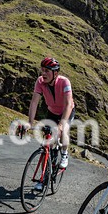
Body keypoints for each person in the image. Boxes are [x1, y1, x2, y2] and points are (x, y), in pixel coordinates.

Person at [23, 57, 75, 188]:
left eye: (47, 71)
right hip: (52, 112)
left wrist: (61, 125)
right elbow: (34, 102)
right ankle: (43, 179)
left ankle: (64, 153)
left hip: (66, 111)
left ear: (55, 73)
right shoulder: (40, 82)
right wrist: (30, 122)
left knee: (63, 132)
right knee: (46, 145)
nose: (43, 73)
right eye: (42, 70)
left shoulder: (64, 82)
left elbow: (69, 104)